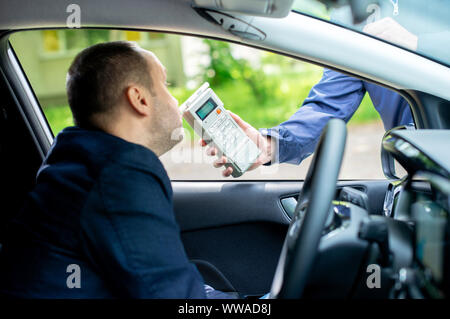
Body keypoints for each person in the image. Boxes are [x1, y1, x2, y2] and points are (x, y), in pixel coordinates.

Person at [0, 41, 230, 298]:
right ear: (139, 99)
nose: (174, 98)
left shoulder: (77, 165)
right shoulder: (119, 176)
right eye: (165, 85)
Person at [204, 17, 416, 177]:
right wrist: (268, 145)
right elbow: (328, 106)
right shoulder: (353, 14)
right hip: (422, 173)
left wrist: (422, 46)